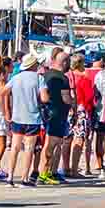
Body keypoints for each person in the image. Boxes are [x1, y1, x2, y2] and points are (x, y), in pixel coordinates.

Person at [7, 53, 46, 187]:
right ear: (34, 65)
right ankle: (24, 178)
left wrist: (7, 111)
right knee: (29, 148)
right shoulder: (39, 78)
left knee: (15, 147)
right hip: (32, 117)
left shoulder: (15, 78)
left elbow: (2, 93)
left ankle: (10, 177)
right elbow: (45, 98)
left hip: (17, 116)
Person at [38, 50, 75, 185]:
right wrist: (73, 103)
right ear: (64, 62)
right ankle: (45, 173)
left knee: (49, 143)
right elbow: (66, 99)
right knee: (52, 145)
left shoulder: (46, 75)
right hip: (58, 114)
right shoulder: (62, 78)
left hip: (47, 113)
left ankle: (46, 172)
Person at [69, 52, 98, 177]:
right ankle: (75, 169)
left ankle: (69, 167)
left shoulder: (69, 76)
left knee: (69, 140)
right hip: (82, 110)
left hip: (69, 109)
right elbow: (89, 97)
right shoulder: (83, 78)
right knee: (80, 139)